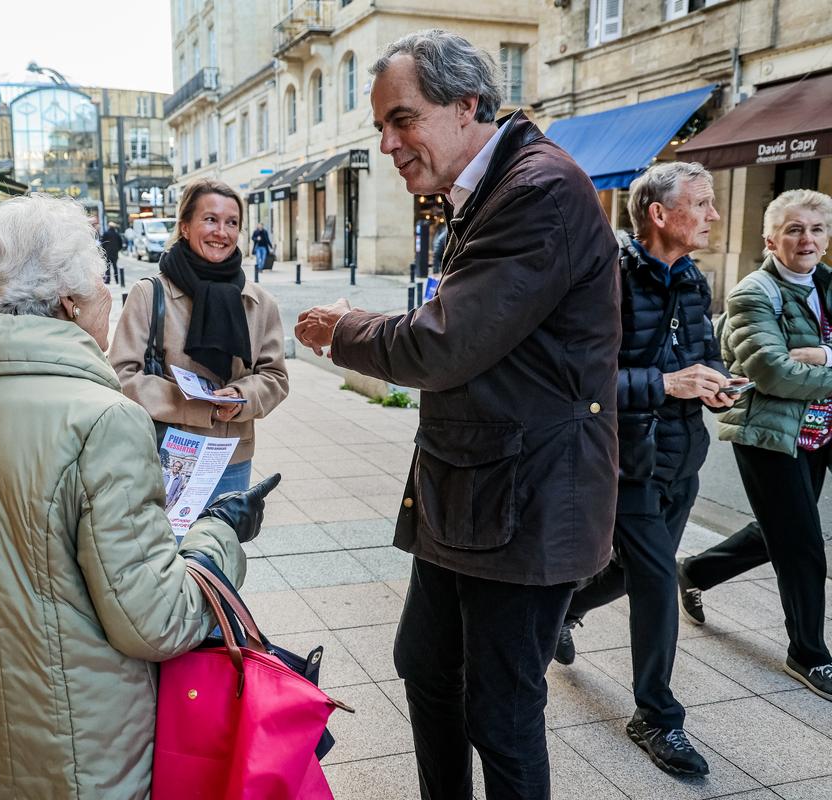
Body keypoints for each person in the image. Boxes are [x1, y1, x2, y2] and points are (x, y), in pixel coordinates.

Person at [294, 31, 620, 799]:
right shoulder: (488, 187)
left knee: (501, 713)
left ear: (468, 104)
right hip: (473, 492)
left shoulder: (536, 189)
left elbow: (446, 341)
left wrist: (343, 329)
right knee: (426, 665)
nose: (386, 144)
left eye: (402, 120)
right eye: (381, 126)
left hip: (527, 501)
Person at [0, 193, 278, 799]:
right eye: (102, 285)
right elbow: (154, 621)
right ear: (70, 302)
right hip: (89, 746)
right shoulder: (103, 421)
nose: (109, 299)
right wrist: (216, 535)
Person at [553, 163, 744, 776]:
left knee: (635, 574)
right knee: (660, 580)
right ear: (659, 215)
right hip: (623, 460)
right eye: (703, 203)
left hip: (681, 458)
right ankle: (657, 717)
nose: (713, 215)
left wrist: (713, 383)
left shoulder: (693, 280)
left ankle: (563, 610)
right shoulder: (606, 276)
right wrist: (667, 383)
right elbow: (577, 382)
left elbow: (701, 358)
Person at [678, 189, 832, 702]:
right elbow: (772, 371)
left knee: (781, 528)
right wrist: (814, 362)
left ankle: (696, 570)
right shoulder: (753, 293)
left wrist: (822, 357)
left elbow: (803, 368)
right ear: (770, 238)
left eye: (815, 229)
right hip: (768, 432)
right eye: (793, 229)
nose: (805, 239)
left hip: (816, 430)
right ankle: (808, 653)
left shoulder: (827, 285)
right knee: (802, 543)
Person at [110, 179, 289, 497]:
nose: (222, 232)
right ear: (185, 226)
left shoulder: (260, 303)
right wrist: (196, 405)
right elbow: (121, 377)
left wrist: (240, 396)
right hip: (167, 454)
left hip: (232, 457)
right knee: (168, 546)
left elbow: (274, 377)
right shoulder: (150, 295)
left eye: (232, 222)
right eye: (210, 219)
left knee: (222, 545)